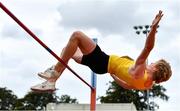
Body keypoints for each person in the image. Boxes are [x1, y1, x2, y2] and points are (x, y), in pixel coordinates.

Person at [31, 10, 172, 92]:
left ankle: (54, 73)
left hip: (102, 60)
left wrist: (153, 29)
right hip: (102, 66)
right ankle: (52, 80)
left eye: (154, 63)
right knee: (67, 50)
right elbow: (128, 86)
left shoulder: (141, 72)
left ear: (156, 69)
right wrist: (113, 75)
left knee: (77, 35)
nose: (151, 62)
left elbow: (148, 48)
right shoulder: (147, 85)